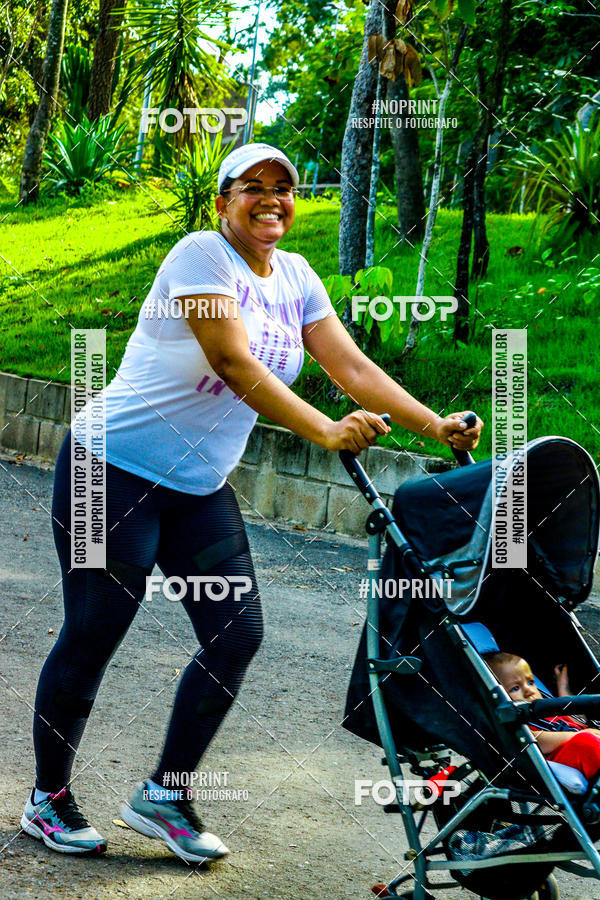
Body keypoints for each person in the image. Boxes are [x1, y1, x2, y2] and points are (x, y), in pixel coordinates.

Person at [22, 142, 483, 862]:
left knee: (236, 635)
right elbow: (232, 361)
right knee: (93, 633)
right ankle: (47, 799)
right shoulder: (200, 256)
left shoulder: (296, 277)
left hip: (197, 487)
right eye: (253, 187)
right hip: (108, 471)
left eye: (286, 188)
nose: (272, 198)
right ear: (222, 201)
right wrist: (326, 430)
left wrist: (435, 425)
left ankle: (165, 795)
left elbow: (351, 364)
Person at [486, 651, 600, 781]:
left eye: (530, 682)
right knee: (586, 743)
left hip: (589, 738)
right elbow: (537, 741)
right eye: (515, 688)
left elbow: (577, 719)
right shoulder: (518, 722)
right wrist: (578, 735)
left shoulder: (544, 707)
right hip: (564, 756)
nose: (529, 690)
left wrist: (562, 688)